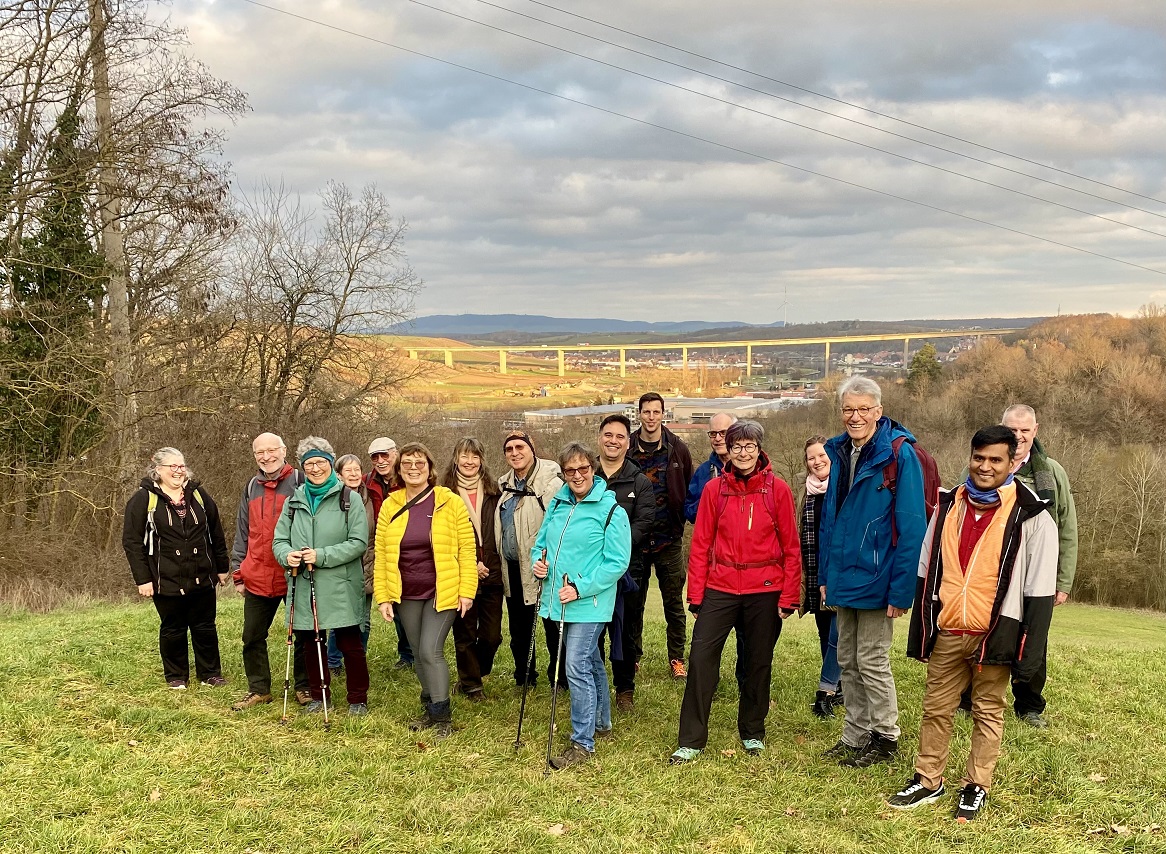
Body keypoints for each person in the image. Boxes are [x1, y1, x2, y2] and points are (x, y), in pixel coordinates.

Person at [891, 426, 1057, 822]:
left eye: (995, 459)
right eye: (978, 457)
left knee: (987, 710)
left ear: (1013, 462)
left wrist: (1027, 650)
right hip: (950, 626)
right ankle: (928, 779)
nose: (985, 466)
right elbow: (926, 566)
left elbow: (1040, 588)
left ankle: (976, 785)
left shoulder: (1032, 515)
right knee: (936, 708)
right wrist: (925, 625)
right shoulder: (948, 504)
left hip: (995, 632)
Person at [669, 420, 801, 764]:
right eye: (737, 446)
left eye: (750, 446)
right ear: (728, 449)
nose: (743, 453)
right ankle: (692, 739)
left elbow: (791, 546)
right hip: (720, 587)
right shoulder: (714, 490)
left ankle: (753, 731)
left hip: (765, 589)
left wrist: (788, 596)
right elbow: (701, 545)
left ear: (759, 449)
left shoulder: (778, 490)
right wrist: (695, 594)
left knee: (758, 661)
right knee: (700, 659)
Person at [818, 377, 926, 768]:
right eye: (849, 409)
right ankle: (855, 735)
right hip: (844, 574)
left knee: (872, 659)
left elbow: (912, 526)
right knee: (846, 658)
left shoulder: (899, 455)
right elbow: (832, 520)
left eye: (864, 409)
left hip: (879, 577)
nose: (856, 416)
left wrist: (901, 592)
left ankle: (885, 736)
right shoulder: (839, 451)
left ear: (878, 412)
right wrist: (826, 576)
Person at [533, 442, 632, 769]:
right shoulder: (557, 505)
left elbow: (617, 562)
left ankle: (582, 743)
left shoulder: (610, 510)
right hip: (558, 600)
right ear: (564, 473)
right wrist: (539, 563)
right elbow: (541, 544)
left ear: (593, 469)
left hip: (589, 602)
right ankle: (601, 722)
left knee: (574, 664)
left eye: (583, 469)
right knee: (589, 662)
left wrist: (579, 587)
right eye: (570, 470)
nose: (577, 475)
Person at [375, 442, 477, 736]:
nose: (413, 468)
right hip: (406, 592)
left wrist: (466, 591)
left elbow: (467, 548)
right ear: (399, 470)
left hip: (442, 589)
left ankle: (442, 717)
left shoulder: (449, 501)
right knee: (418, 654)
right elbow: (382, 554)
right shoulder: (390, 506)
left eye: (420, 463)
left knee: (431, 651)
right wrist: (383, 596)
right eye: (407, 464)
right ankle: (430, 706)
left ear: (430, 468)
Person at [272, 437, 370, 715]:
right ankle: (319, 695)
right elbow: (279, 540)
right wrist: (287, 555)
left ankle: (357, 698)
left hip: (340, 584)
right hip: (304, 583)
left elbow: (358, 542)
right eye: (309, 464)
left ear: (330, 463)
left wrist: (322, 555)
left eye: (321, 462)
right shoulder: (293, 501)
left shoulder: (349, 499)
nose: (315, 468)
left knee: (350, 642)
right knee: (311, 643)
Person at [122, 447, 230, 690]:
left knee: (205, 626)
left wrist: (222, 566)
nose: (178, 471)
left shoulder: (199, 495)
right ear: (158, 470)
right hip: (165, 577)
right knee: (173, 628)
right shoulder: (143, 499)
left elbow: (215, 531)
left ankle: (210, 674)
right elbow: (132, 542)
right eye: (173, 466)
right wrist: (143, 579)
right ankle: (176, 676)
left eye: (181, 466)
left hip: (202, 574)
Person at [1001, 404, 1077, 728]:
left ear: (1036, 430)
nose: (1018, 436)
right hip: (995, 570)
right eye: (1012, 430)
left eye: (1025, 430)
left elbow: (1067, 527)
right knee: (982, 633)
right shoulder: (985, 466)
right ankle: (969, 698)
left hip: (1038, 571)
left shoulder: (1053, 473)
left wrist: (1063, 580)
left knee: (1034, 636)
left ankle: (1029, 705)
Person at [229, 432, 312, 711]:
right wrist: (238, 571)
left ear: (283, 450)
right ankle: (259, 689)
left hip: (294, 574)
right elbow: (243, 531)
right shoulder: (251, 486)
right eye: (259, 452)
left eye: (271, 450)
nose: (266, 457)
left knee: (305, 632)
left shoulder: (302, 482)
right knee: (252, 636)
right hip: (258, 574)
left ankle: (304, 687)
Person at [628, 392, 694, 678]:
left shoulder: (678, 448)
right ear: (639, 414)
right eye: (646, 412)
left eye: (656, 412)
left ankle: (676, 658)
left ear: (663, 414)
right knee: (634, 603)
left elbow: (688, 488)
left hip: (669, 538)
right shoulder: (628, 447)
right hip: (635, 538)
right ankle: (632, 656)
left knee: (674, 603)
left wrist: (683, 521)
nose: (651, 417)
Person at [593, 414, 655, 711]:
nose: (613, 441)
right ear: (599, 438)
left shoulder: (640, 481)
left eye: (619, 436)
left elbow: (644, 524)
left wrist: (612, 549)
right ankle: (592, 684)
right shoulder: (585, 477)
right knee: (593, 630)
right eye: (608, 435)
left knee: (625, 630)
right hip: (590, 571)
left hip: (629, 571)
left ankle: (624, 689)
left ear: (627, 443)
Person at [495, 430, 563, 687]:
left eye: (520, 447)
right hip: (512, 567)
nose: (515, 452)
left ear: (531, 448)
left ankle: (559, 677)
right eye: (509, 449)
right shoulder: (505, 486)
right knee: (520, 630)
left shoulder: (551, 484)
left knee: (552, 626)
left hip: (544, 569)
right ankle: (524, 676)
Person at [443, 438, 504, 702]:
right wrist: (468, 563)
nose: (469, 462)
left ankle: (475, 671)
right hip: (460, 573)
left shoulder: (494, 490)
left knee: (491, 636)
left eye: (475, 456)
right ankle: (471, 685)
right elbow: (443, 537)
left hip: (492, 572)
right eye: (464, 456)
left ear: (482, 460)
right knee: (465, 633)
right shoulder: (444, 493)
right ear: (455, 458)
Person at [800, 435, 843, 719]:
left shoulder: (843, 488)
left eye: (821, 456)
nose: (817, 462)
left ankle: (826, 690)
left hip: (837, 572)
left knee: (839, 635)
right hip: (813, 569)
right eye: (811, 458)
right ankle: (840, 687)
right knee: (825, 631)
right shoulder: (805, 493)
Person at [365, 436, 414, 670]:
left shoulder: (408, 480)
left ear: (396, 454)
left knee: (407, 601)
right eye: (375, 456)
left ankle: (412, 652)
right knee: (393, 599)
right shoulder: (367, 482)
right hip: (378, 547)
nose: (381, 460)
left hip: (407, 546)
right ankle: (406, 653)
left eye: (385, 454)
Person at [325, 454, 376, 673]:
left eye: (357, 470)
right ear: (338, 475)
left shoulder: (369, 498)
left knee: (363, 619)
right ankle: (333, 661)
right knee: (341, 619)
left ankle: (357, 658)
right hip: (341, 566)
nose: (354, 474)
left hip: (367, 565)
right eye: (349, 471)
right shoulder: (332, 499)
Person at [684, 412, 737, 524]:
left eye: (723, 433)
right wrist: (708, 500)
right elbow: (689, 512)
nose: (717, 438)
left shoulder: (748, 469)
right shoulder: (703, 471)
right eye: (713, 433)